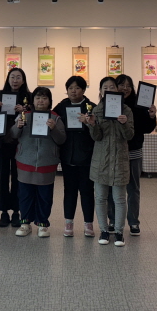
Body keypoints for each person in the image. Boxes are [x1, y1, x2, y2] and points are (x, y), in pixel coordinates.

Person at [85, 77, 134, 247]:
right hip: (101, 160)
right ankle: (104, 230)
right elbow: (97, 137)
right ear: (100, 92)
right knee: (100, 198)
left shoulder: (126, 110)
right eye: (104, 88)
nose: (108, 90)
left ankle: (119, 232)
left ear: (117, 90)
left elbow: (129, 135)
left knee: (119, 199)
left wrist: (124, 123)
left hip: (119, 160)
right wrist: (92, 125)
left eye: (111, 87)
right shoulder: (97, 110)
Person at [11, 86, 65, 237]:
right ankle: (25, 224)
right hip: (25, 162)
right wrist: (18, 126)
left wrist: (54, 129)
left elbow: (61, 139)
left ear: (49, 101)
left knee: (44, 196)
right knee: (25, 195)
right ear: (32, 100)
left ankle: (42, 224)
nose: (41, 101)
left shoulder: (55, 118)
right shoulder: (24, 116)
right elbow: (13, 134)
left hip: (47, 163)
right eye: (38, 98)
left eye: (44, 98)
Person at [107, 74, 157, 236]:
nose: (125, 88)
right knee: (112, 187)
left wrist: (151, 116)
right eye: (121, 85)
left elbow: (147, 128)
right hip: (115, 152)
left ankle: (134, 222)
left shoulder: (140, 104)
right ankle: (112, 220)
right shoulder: (110, 103)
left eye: (129, 85)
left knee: (133, 188)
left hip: (133, 152)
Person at [53, 76, 97, 238]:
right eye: (70, 88)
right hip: (68, 156)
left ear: (84, 90)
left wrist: (89, 123)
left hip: (87, 157)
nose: (73, 91)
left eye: (77, 88)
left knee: (87, 191)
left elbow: (98, 132)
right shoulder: (61, 106)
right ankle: (68, 223)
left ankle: (88, 224)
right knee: (69, 191)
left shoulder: (91, 107)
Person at [0, 68, 31, 228]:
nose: (15, 80)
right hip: (2, 142)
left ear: (23, 80)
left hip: (20, 143)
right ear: (8, 79)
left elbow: (35, 116)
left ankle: (16, 211)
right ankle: (3, 212)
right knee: (2, 177)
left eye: (18, 77)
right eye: (12, 77)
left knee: (17, 178)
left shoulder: (29, 97)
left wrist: (26, 110)